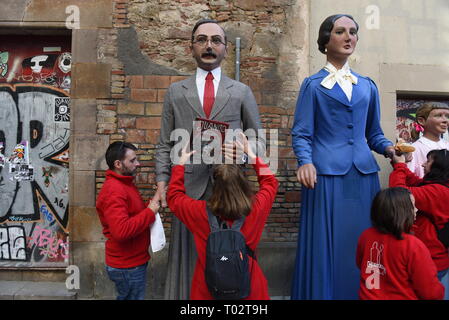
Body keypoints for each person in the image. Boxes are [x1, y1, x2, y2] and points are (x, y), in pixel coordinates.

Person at [154, 19, 264, 299]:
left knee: (229, 255)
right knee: (189, 261)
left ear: (226, 48)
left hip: (229, 191)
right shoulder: (175, 92)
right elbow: (165, 143)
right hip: (188, 188)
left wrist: (241, 152)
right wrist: (162, 182)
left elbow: (260, 142)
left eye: (216, 40)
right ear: (191, 47)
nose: (209, 45)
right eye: (202, 39)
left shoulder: (240, 92)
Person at [290, 14, 394, 300]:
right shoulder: (312, 85)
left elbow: (374, 134)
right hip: (324, 176)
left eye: (353, 32)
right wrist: (305, 161)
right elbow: (301, 133)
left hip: (363, 176)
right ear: (326, 40)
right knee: (327, 246)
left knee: (366, 244)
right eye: (340, 31)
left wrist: (389, 149)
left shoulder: (368, 86)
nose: (349, 37)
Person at [166, 133, 278, 299]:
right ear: (243, 184)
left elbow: (174, 197)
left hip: (209, 290)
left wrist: (180, 164)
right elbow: (270, 182)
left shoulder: (199, 212)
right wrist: (251, 155)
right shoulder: (256, 208)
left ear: (215, 186)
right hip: (249, 289)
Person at [96, 141, 160, 300]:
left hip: (132, 263)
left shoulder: (125, 184)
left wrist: (150, 205)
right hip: (127, 266)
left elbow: (132, 213)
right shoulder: (114, 190)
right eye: (132, 161)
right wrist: (150, 212)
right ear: (118, 164)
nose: (137, 164)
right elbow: (121, 231)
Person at [356, 187, 444, 300]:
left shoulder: (366, 236)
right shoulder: (412, 245)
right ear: (401, 212)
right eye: (412, 206)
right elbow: (430, 291)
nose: (416, 209)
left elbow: (360, 264)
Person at [390, 149, 449, 282]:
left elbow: (399, 195)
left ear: (438, 167)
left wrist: (400, 166)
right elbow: (414, 180)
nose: (423, 165)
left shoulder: (437, 192)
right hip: (431, 260)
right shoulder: (440, 186)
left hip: (431, 263)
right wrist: (400, 164)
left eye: (428, 162)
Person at [407, 102, 449, 178]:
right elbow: (409, 177)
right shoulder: (414, 150)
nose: (445, 120)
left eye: (447, 116)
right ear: (421, 121)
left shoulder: (447, 145)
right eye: (438, 115)